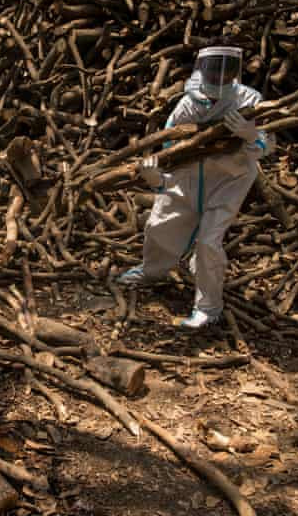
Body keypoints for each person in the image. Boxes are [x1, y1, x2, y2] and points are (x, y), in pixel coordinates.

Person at [117, 45, 275, 328]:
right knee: (159, 224)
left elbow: (264, 146)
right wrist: (157, 176)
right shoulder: (189, 102)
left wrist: (251, 135)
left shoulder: (249, 99)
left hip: (230, 179)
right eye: (214, 67)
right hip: (187, 176)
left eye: (225, 68)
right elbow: (170, 147)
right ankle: (153, 271)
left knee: (208, 241)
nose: (219, 73)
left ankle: (208, 308)